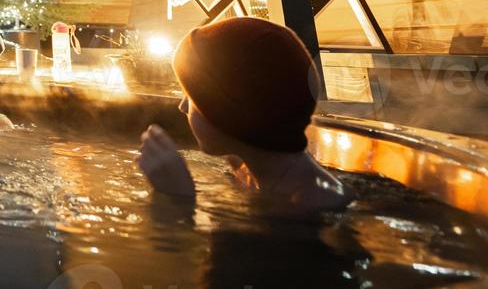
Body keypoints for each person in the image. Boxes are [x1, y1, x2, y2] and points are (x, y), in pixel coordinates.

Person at [138, 16, 351, 215]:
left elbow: (238, 254)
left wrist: (179, 199)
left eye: (192, 96)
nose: (182, 106)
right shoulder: (251, 171)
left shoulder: (312, 204)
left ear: (228, 113)